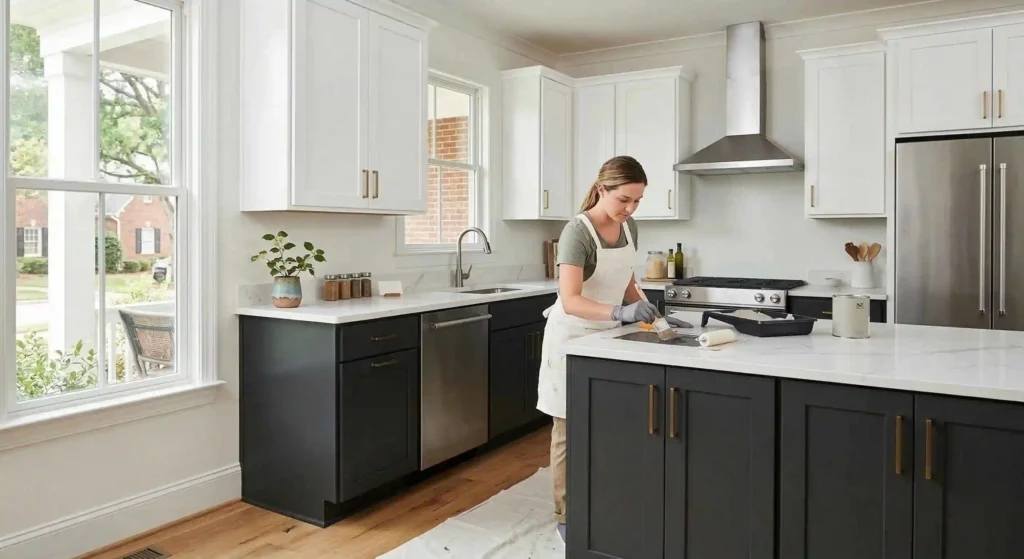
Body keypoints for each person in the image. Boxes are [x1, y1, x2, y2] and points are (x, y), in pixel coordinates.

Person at [536, 155, 660, 544]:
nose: (630, 209)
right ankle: (568, 518)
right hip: (571, 337)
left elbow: (626, 279)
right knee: (568, 429)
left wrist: (651, 313)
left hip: (609, 335)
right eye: (624, 199)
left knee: (610, 421)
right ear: (602, 189)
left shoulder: (629, 227)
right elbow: (570, 299)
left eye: (637, 201)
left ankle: (607, 501)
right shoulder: (578, 231)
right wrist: (623, 312)